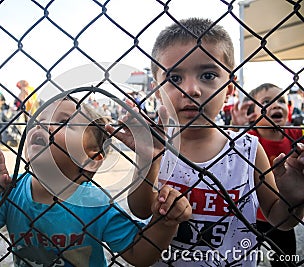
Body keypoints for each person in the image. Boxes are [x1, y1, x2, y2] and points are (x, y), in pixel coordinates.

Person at [106, 18, 304, 266]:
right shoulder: (156, 146)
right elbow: (142, 210)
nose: (191, 89)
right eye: (175, 78)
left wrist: (293, 200)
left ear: (230, 88)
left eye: (208, 75)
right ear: (157, 90)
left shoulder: (248, 150)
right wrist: (148, 159)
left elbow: (279, 220)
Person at [0, 97, 192, 266]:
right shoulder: (12, 189)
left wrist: (165, 222)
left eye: (63, 121)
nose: (43, 125)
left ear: (91, 160)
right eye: (40, 118)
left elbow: (138, 254)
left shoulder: (96, 204)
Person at [232, 83, 301, 267]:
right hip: (252, 216)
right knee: (246, 259)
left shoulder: (296, 135)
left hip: (285, 210)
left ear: (289, 109)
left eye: (281, 101)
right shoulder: (249, 138)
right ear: (253, 112)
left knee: (286, 259)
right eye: (267, 102)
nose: (276, 105)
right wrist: (237, 128)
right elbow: (230, 149)